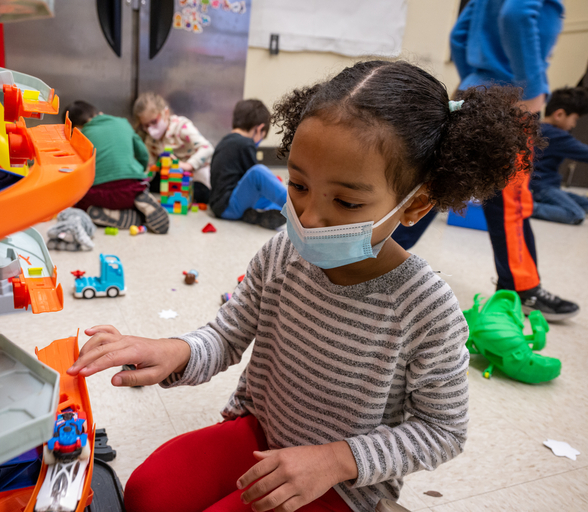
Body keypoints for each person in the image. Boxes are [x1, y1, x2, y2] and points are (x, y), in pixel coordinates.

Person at [67, 61, 540, 512]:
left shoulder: (426, 309)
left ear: (414, 207)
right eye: (297, 185)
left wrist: (337, 459)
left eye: (347, 201)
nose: (310, 218)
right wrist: (177, 350)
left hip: (340, 483)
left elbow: (443, 430)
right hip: (259, 435)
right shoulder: (282, 251)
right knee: (149, 494)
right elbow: (227, 335)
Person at [392, 0, 579, 321]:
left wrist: (476, 81)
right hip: (511, 101)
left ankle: (371, 257)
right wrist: (532, 89)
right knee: (510, 202)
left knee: (438, 182)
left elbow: (460, 35)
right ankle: (522, 290)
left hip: (473, 91)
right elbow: (517, 15)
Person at [64, 101, 169, 234]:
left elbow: (75, 172)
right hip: (131, 191)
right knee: (139, 187)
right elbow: (143, 153)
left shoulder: (81, 134)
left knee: (80, 203)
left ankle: (107, 213)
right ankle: (140, 200)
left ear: (75, 128)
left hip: (98, 196)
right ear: (99, 114)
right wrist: (139, 172)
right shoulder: (123, 123)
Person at [209, 99, 288, 230]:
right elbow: (256, 180)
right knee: (259, 172)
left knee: (272, 198)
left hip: (221, 206)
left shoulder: (225, 141)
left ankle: (256, 215)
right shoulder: (245, 143)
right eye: (262, 136)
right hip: (228, 205)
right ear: (259, 128)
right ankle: (296, 207)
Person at [133, 92, 214, 204]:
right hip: (173, 177)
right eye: (146, 126)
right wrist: (142, 182)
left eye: (154, 122)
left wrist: (188, 165)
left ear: (166, 113)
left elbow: (207, 148)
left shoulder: (181, 127)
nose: (151, 129)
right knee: (156, 186)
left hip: (195, 173)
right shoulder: (151, 140)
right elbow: (150, 167)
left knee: (201, 193)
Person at [530, 87, 588, 224]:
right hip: (543, 187)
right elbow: (585, 153)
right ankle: (528, 207)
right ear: (559, 114)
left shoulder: (539, 128)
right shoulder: (556, 136)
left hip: (539, 186)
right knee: (576, 214)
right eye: (574, 119)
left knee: (585, 204)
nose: (573, 124)